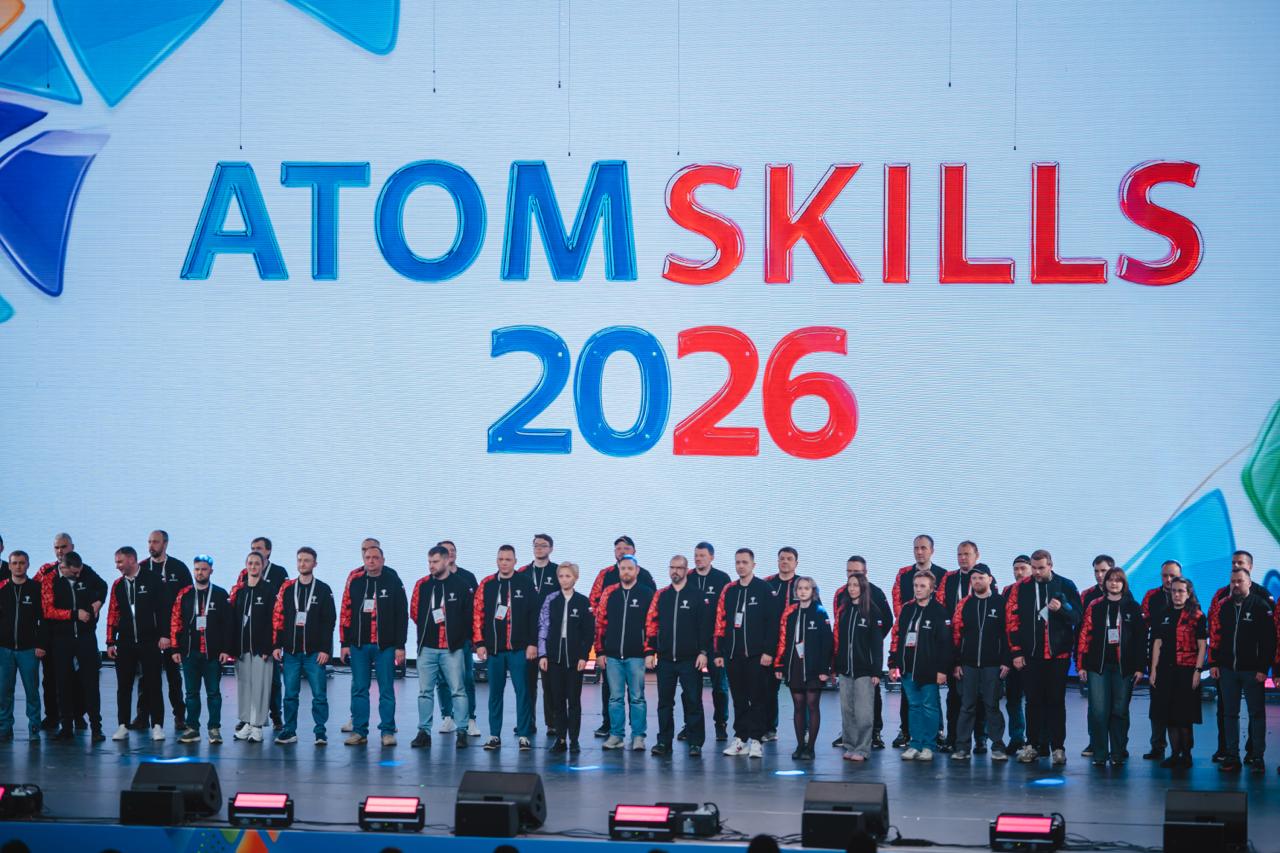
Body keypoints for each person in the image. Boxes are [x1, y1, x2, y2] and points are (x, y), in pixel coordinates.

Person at [1006, 549, 1081, 765]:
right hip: (1031, 655)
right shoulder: (1021, 588)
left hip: (1058, 655)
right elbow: (1012, 621)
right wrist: (1016, 652)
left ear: (1050, 565)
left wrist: (1063, 608)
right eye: (1034, 568)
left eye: (1041, 568)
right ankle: (1032, 745)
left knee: (1056, 702)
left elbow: (1077, 616)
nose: (1037, 572)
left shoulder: (1066, 585)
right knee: (1033, 702)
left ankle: (1058, 748)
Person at [1207, 565, 1274, 773]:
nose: (1235, 585)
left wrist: (1263, 669)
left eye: (1240, 581)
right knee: (1229, 714)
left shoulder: (1261, 606)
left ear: (1249, 583)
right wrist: (1214, 663)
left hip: (1253, 671)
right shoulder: (1223, 607)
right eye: (1233, 582)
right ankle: (1232, 756)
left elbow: (1269, 641)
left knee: (1256, 714)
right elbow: (1216, 637)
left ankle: (1257, 757)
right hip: (1227, 670)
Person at [339, 545, 407, 747]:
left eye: (375, 557)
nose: (371, 561)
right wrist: (344, 643)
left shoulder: (393, 581)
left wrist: (400, 646)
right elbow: (346, 613)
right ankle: (360, 732)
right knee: (360, 689)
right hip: (359, 646)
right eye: (367, 557)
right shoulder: (356, 582)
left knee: (386, 690)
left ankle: (387, 731)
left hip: (385, 647)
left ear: (383, 560)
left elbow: (401, 615)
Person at [713, 548, 779, 759]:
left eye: (744, 562)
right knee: (739, 699)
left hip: (757, 656)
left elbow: (773, 623)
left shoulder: (764, 589)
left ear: (753, 565)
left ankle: (757, 740)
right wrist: (719, 651)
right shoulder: (730, 590)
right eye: (738, 562)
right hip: (733, 655)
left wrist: (769, 651)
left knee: (757, 699)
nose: (740, 566)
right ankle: (740, 739)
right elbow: (721, 621)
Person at [1076, 567, 1144, 767]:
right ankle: (1099, 754)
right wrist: (1081, 665)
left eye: (1118, 580)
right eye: (1110, 580)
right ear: (1105, 583)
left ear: (1124, 584)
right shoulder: (1095, 606)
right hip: (1098, 666)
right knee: (1098, 711)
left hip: (1124, 667)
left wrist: (1140, 667)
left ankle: (1118, 753)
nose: (1114, 583)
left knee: (1119, 711)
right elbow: (1084, 635)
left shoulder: (1133, 607)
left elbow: (1140, 639)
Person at [588, 537, 656, 737]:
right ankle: (609, 726)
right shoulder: (605, 575)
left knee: (636, 695)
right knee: (611, 693)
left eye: (626, 548)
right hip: (612, 648)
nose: (622, 551)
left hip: (636, 649)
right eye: (618, 548)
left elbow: (653, 610)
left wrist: (649, 648)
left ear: (634, 551)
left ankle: (637, 733)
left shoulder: (645, 576)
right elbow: (594, 601)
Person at [474, 545, 538, 751]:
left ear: (515, 561)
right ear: (496, 561)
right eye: (500, 559)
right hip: (495, 650)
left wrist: (533, 643)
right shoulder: (487, 584)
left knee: (523, 692)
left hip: (519, 649)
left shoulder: (525, 583)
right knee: (495, 693)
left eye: (508, 559)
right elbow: (478, 614)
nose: (504, 563)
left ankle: (524, 735)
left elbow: (534, 615)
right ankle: (494, 735)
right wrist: (479, 643)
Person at [409, 545, 472, 750]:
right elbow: (414, 612)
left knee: (458, 691)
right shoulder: (423, 585)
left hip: (451, 648)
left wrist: (460, 638)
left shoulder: (461, 585)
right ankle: (424, 732)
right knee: (424, 692)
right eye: (429, 562)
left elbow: (468, 616)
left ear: (446, 561)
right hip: (427, 647)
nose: (431, 566)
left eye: (435, 562)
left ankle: (462, 731)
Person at [645, 555, 709, 757]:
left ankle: (695, 742)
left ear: (686, 570)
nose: (675, 571)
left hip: (690, 659)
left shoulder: (697, 595)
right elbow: (652, 624)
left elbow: (705, 627)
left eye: (679, 568)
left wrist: (704, 652)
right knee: (664, 703)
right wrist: (650, 651)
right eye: (672, 567)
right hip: (665, 659)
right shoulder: (662, 595)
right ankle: (664, 742)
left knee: (693, 701)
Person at [272, 546, 336, 747]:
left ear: (315, 564)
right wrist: (277, 644)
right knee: (290, 695)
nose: (302, 563)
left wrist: (325, 650)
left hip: (314, 653)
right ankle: (289, 730)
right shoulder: (288, 589)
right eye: (299, 560)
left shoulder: (323, 589)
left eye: (307, 560)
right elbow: (279, 618)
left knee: (319, 695)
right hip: (291, 652)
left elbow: (329, 622)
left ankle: (320, 732)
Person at [38, 534, 102, 731]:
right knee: (55, 679)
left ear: (72, 547)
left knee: (84, 679)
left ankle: (82, 717)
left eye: (63, 546)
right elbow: (45, 608)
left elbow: (102, 586)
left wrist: (97, 603)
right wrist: (75, 615)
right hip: (57, 636)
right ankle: (55, 717)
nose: (60, 551)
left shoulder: (84, 569)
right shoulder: (46, 573)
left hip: (83, 636)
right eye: (56, 547)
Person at [105, 546, 167, 742]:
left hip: (150, 641)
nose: (117, 566)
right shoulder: (118, 585)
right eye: (116, 562)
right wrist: (110, 641)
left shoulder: (153, 579)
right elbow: (113, 613)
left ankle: (157, 726)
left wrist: (164, 635)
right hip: (125, 642)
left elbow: (164, 610)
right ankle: (122, 725)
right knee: (124, 686)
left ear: (131, 560)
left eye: (120, 562)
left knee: (153, 684)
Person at [889, 535, 946, 749]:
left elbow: (943, 607)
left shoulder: (943, 574)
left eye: (923, 548)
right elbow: (897, 602)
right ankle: (909, 735)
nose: (919, 552)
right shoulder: (904, 574)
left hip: (929, 648)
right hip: (909, 648)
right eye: (916, 548)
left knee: (930, 701)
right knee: (911, 700)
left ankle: (934, 737)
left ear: (932, 550)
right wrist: (909, 619)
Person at [170, 555, 233, 744]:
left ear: (211, 571)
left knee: (213, 693)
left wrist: (226, 650)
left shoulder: (220, 594)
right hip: (190, 652)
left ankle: (214, 729)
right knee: (191, 693)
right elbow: (176, 621)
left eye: (204, 569)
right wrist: (175, 648)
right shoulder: (184, 594)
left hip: (212, 653)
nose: (200, 573)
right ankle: (192, 729)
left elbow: (228, 625)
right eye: (197, 569)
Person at [832, 557, 892, 750]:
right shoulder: (842, 597)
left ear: (865, 573)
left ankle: (873, 735)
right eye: (849, 572)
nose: (852, 577)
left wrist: (866, 642)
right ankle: (849, 740)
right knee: (847, 707)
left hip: (865, 663)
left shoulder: (876, 595)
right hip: (846, 664)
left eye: (856, 572)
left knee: (867, 705)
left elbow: (887, 621)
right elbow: (839, 630)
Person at [949, 564, 1008, 761]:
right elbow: (956, 634)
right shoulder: (964, 604)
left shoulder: (1001, 603)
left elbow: (1008, 634)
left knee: (992, 706)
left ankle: (998, 747)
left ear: (989, 579)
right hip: (968, 665)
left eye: (981, 578)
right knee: (967, 706)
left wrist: (1006, 661)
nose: (977, 581)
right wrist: (956, 663)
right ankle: (962, 747)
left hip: (993, 664)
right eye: (974, 578)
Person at [1149, 577, 1207, 768]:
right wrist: (1153, 670)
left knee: (1184, 716)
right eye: (1174, 591)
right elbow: (1157, 643)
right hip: (1166, 670)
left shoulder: (1197, 616)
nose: (1176, 594)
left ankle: (1186, 755)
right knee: (1169, 716)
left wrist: (1198, 670)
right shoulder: (1163, 614)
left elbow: (1202, 646)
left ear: (1188, 593)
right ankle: (1174, 754)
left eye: (1181, 591)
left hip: (1186, 670)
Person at [137, 531, 191, 732]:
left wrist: (178, 632)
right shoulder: (141, 568)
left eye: (156, 542)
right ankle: (142, 715)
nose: (151, 545)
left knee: (173, 676)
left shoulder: (178, 567)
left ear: (165, 544)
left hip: (173, 632)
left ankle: (179, 715)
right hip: (148, 633)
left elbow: (188, 598)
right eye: (149, 541)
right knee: (146, 676)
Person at [774, 576, 833, 760]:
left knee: (812, 705)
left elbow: (827, 643)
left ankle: (810, 747)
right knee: (798, 706)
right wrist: (780, 664)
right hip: (795, 666)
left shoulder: (820, 612)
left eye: (807, 588)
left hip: (814, 667)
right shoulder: (790, 613)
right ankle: (800, 745)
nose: (803, 591)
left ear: (813, 591)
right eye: (800, 588)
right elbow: (783, 640)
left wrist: (825, 669)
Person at [940, 541, 990, 754]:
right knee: (955, 696)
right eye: (959, 554)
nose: (962, 558)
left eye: (967, 554)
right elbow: (941, 606)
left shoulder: (984, 577)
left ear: (976, 555)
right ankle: (953, 738)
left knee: (980, 697)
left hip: (978, 647)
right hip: (954, 644)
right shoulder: (949, 578)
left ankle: (981, 738)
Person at [538, 562, 593, 754]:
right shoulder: (551, 600)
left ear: (575, 578)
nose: (564, 580)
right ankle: (561, 739)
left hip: (574, 660)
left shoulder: (583, 602)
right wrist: (543, 654)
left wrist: (583, 656)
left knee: (574, 702)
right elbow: (543, 627)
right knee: (558, 701)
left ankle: (574, 740)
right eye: (561, 576)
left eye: (568, 576)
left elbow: (588, 633)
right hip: (554, 659)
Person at [230, 552, 277, 743]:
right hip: (242, 649)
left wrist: (269, 647)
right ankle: (247, 722)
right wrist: (233, 648)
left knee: (260, 687)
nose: (253, 566)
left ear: (263, 565)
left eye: (257, 563)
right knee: (245, 687)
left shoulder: (269, 590)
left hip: (261, 649)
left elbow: (273, 621)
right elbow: (233, 620)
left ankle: (257, 726)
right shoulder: (239, 591)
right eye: (250, 563)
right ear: (246, 565)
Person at [243, 537, 289, 731]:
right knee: (249, 681)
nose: (256, 551)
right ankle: (248, 718)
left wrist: (276, 641)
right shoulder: (244, 574)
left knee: (273, 681)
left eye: (259, 548)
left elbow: (284, 601)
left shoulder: (279, 572)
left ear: (268, 551)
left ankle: (276, 716)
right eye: (253, 548)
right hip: (249, 635)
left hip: (269, 634)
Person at [436, 539, 481, 738]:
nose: (451, 553)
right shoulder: (433, 579)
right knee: (443, 680)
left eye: (453, 550)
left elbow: (477, 609)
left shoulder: (467, 577)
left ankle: (470, 719)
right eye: (446, 550)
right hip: (439, 641)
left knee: (467, 679)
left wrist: (476, 638)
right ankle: (448, 716)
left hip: (462, 640)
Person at [689, 542, 732, 741]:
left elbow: (727, 612)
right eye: (696, 555)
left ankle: (721, 724)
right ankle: (691, 725)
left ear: (712, 557)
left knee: (720, 687)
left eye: (702, 556)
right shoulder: (688, 577)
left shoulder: (722, 579)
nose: (698, 559)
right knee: (691, 688)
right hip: (692, 643)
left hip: (716, 643)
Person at [1140, 559, 1182, 761]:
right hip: (1157, 658)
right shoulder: (1152, 596)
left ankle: (1180, 750)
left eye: (1172, 575)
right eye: (1165, 575)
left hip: (1181, 659)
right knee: (1156, 704)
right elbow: (1143, 625)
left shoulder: (1187, 595)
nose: (1168, 579)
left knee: (1178, 705)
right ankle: (1157, 746)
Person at [518, 534, 560, 737]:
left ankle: (552, 723)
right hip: (527, 635)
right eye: (536, 545)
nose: (539, 548)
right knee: (527, 684)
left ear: (551, 548)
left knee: (549, 683)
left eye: (543, 545)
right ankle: (528, 722)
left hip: (549, 636)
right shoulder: (523, 572)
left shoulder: (558, 572)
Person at [0, 551, 45, 741]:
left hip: (29, 649)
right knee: (4, 691)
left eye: (22, 563)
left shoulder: (36, 589)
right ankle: (4, 727)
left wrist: (40, 644)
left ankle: (34, 727)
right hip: (4, 649)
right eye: (15, 563)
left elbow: (43, 620)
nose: (18, 566)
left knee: (32, 691)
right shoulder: (2, 588)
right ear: (9, 566)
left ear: (28, 565)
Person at [763, 546, 802, 742]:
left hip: (796, 647)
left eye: (789, 558)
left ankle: (804, 731)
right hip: (772, 646)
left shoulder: (804, 584)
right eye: (782, 558)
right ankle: (769, 729)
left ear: (796, 562)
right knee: (769, 690)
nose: (785, 562)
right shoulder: (767, 584)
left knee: (800, 692)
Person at [1002, 556, 1033, 752]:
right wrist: (1007, 657)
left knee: (1033, 700)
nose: (1019, 572)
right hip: (1011, 655)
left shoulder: (1036, 590)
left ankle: (1034, 738)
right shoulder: (1007, 591)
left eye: (1023, 568)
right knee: (1012, 699)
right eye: (1016, 569)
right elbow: (1003, 626)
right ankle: (1016, 737)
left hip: (1032, 655)